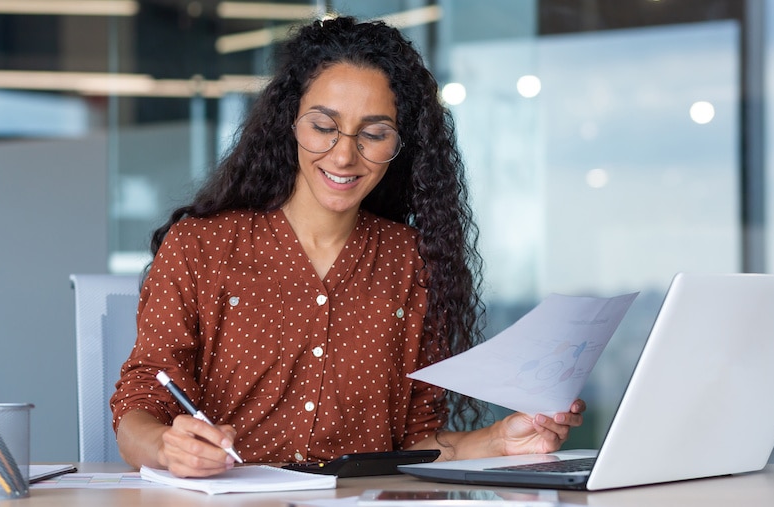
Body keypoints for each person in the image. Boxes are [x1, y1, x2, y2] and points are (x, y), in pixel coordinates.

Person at [109, 15, 585, 478]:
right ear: (289, 122)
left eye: (374, 134)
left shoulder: (413, 261)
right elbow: (137, 409)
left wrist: (501, 440)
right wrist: (168, 448)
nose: (343, 155)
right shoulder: (201, 246)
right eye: (323, 126)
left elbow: (413, 445)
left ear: (400, 144)